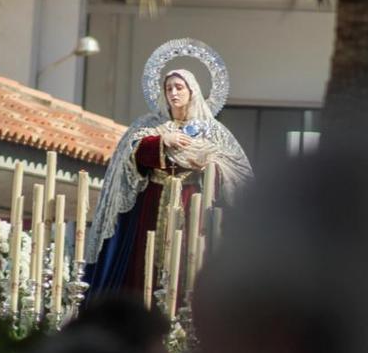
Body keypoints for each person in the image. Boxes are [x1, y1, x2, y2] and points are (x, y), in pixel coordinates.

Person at [84, 50, 252, 296]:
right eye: (168, 88)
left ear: (192, 91)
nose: (173, 93)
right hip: (153, 200)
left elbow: (235, 169)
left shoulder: (213, 131)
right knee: (145, 256)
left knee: (188, 255)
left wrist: (207, 165)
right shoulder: (149, 125)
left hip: (192, 201)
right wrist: (162, 141)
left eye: (179, 88)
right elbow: (130, 155)